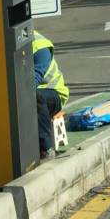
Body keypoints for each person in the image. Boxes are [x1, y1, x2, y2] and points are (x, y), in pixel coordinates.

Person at [33, 30, 69, 159]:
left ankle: (46, 149)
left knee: (34, 95)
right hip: (40, 94)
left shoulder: (39, 46)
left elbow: (33, 81)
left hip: (54, 94)